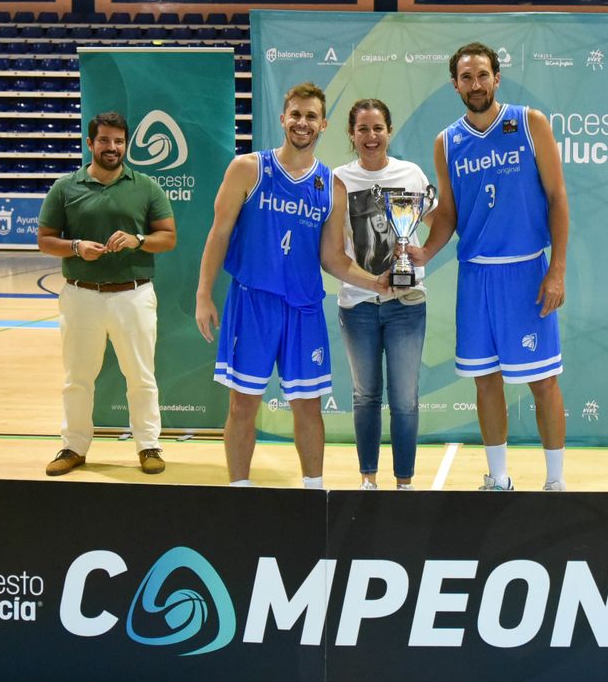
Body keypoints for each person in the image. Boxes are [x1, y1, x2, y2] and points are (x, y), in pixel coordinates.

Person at [195, 83, 389, 488]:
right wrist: (203, 294)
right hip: (253, 303)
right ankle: (240, 491)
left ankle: (312, 493)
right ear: (283, 119)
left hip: (303, 310)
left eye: (311, 117)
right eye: (296, 115)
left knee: (308, 408)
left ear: (324, 125)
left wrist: (378, 283)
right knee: (243, 404)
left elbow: (333, 258)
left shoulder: (331, 187)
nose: (303, 123)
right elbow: (218, 234)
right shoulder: (248, 168)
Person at [416, 41, 570, 492]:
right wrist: (424, 253)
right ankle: (498, 478)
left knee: (543, 382)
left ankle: (556, 482)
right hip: (476, 275)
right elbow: (447, 215)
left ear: (497, 77)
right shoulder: (447, 141)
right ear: (455, 84)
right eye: (466, 77)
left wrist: (556, 269)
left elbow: (558, 197)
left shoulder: (529, 123)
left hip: (526, 271)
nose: (476, 84)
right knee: (486, 381)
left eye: (482, 74)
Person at [37, 111, 177, 477]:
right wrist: (76, 247)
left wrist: (139, 240)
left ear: (126, 144)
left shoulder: (146, 186)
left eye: (118, 141)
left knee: (141, 375)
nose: (111, 147)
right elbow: (45, 240)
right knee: (77, 378)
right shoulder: (65, 187)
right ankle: (74, 446)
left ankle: (149, 445)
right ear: (90, 143)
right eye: (104, 140)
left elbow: (169, 237)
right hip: (80, 295)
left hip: (134, 295)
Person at [328, 98, 432, 490]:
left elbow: (438, 220)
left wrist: (425, 252)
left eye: (378, 128)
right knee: (365, 396)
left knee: (404, 399)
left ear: (389, 130)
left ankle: (404, 483)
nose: (371, 137)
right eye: (362, 129)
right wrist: (370, 282)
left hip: (406, 305)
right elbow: (333, 251)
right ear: (352, 135)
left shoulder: (412, 174)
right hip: (357, 306)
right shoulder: (338, 179)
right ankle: (368, 480)